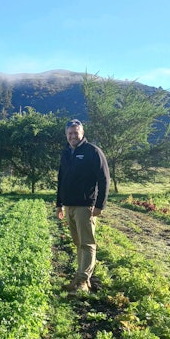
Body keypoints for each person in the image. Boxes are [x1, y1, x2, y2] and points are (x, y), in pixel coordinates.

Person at [56, 119, 110, 294]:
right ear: (66, 135)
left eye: (75, 133)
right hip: (69, 205)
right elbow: (61, 179)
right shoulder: (66, 153)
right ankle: (80, 278)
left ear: (82, 133)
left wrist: (100, 205)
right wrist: (59, 204)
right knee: (78, 243)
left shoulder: (92, 151)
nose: (72, 136)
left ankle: (82, 281)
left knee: (87, 244)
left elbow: (104, 179)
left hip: (85, 206)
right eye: (70, 133)